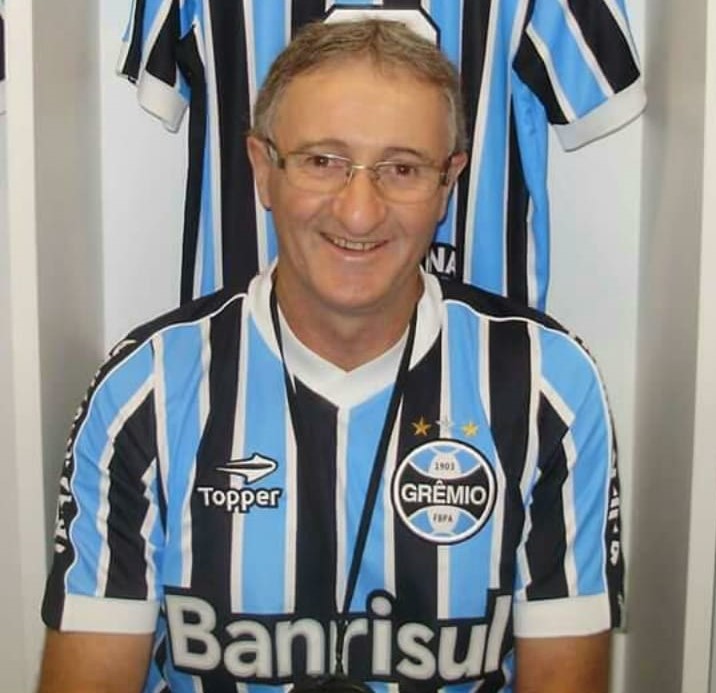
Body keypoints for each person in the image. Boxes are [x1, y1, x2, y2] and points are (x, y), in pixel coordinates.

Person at [37, 19, 623, 693]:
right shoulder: (143, 390)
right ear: (263, 169)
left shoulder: (549, 387)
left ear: (448, 184)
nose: (359, 212)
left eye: (402, 169)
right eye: (323, 161)